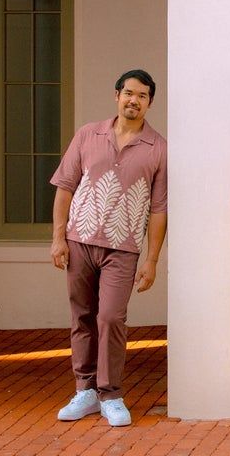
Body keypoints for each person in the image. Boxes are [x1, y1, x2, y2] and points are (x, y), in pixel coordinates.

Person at [50, 69, 168, 427]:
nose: (134, 100)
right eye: (129, 93)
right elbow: (65, 187)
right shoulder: (88, 134)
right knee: (82, 316)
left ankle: (111, 394)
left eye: (142, 96)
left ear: (149, 103)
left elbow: (159, 210)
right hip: (80, 241)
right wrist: (58, 238)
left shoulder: (158, 148)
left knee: (111, 318)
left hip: (124, 247)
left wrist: (152, 260)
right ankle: (84, 390)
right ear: (117, 95)